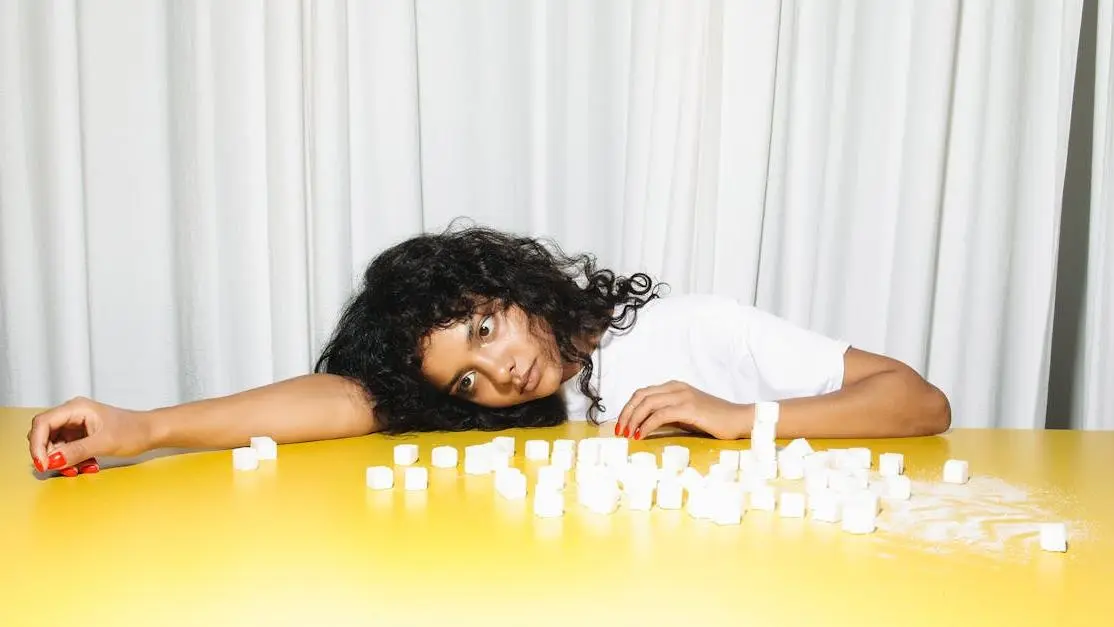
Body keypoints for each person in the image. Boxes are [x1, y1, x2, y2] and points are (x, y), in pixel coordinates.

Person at [26, 226, 950, 476]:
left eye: (483, 328)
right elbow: (343, 400)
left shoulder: (685, 328)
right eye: (468, 377)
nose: (500, 371)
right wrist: (139, 426)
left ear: (517, 286)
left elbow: (917, 401)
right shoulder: (534, 414)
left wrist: (737, 416)